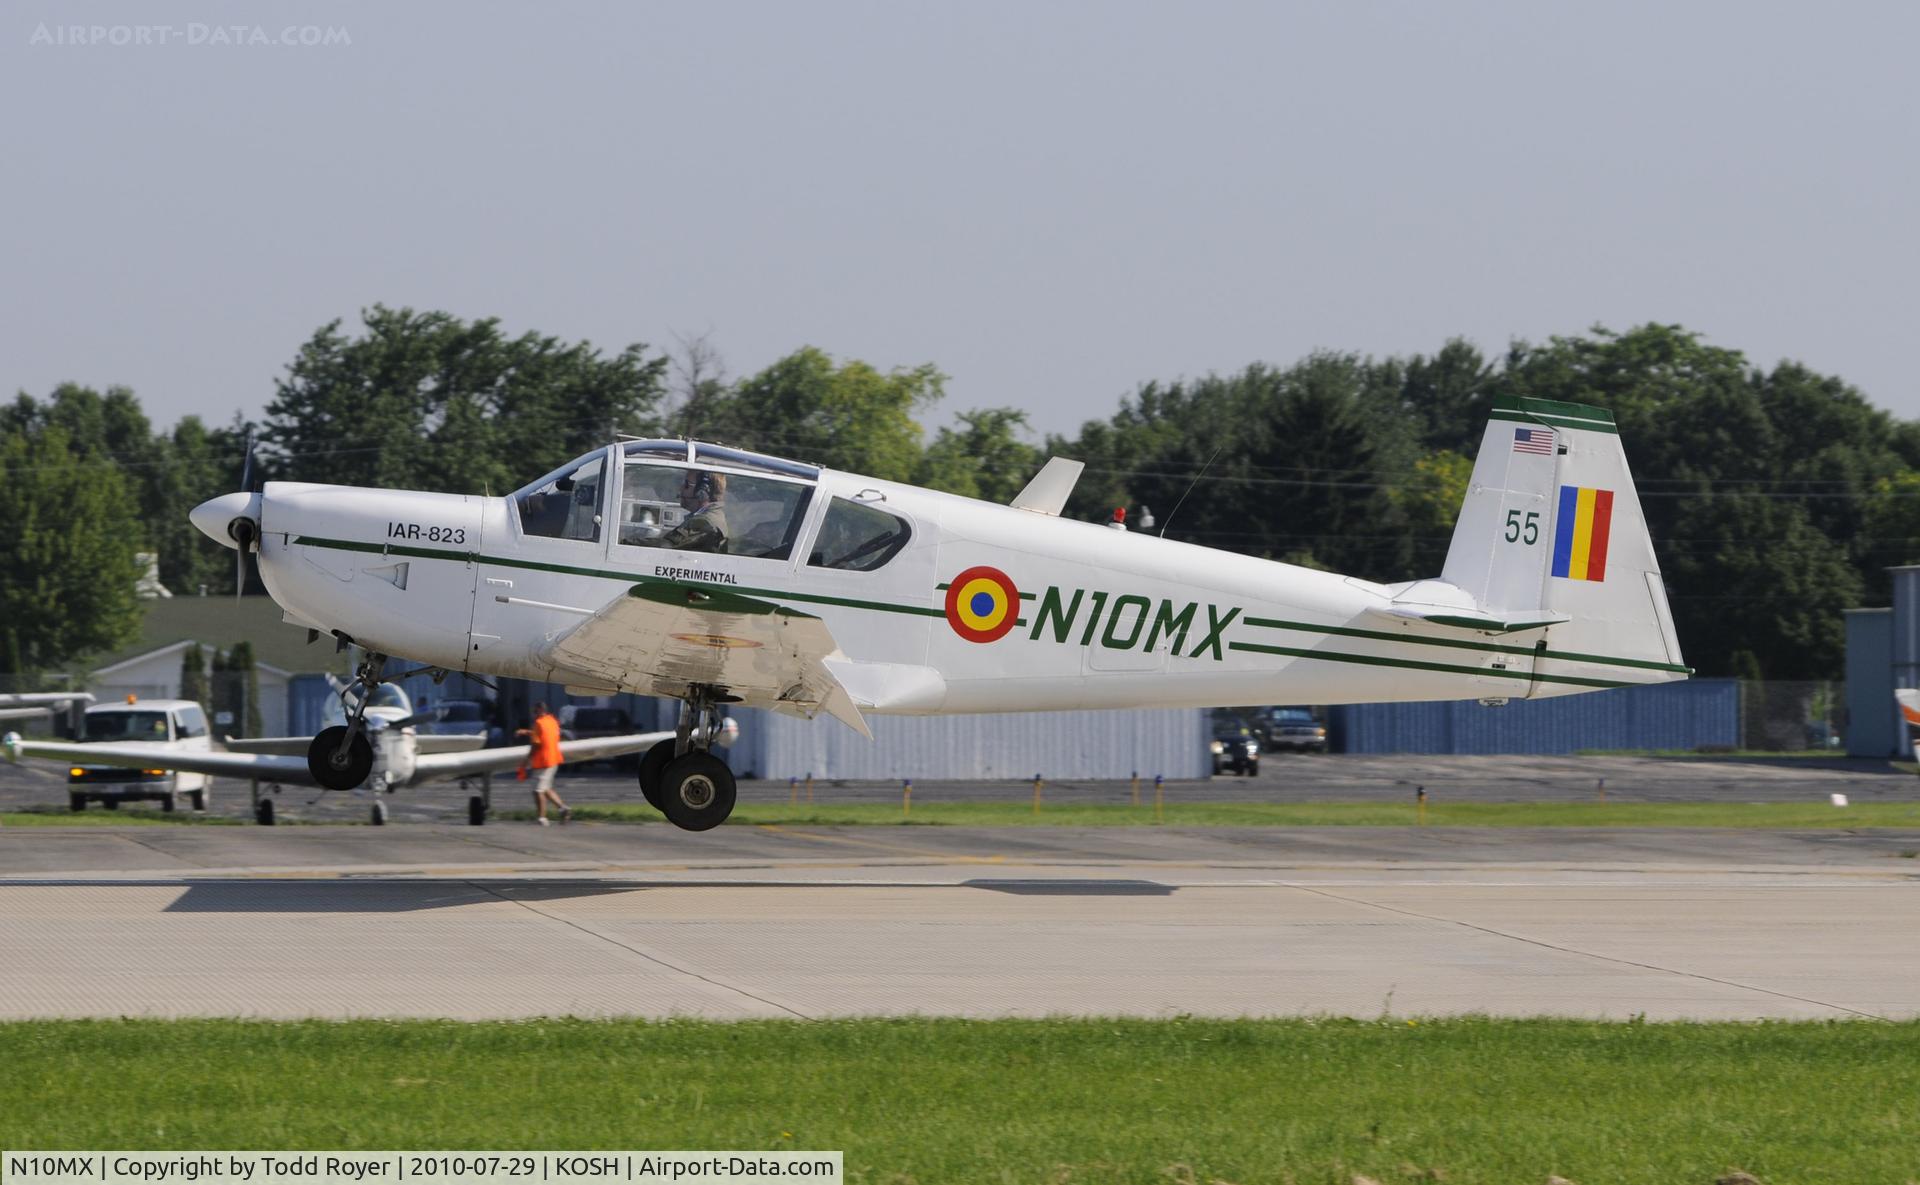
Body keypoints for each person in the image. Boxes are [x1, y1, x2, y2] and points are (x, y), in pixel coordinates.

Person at [647, 470, 729, 553]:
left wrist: (633, 544)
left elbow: (668, 545)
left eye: (686, 484)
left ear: (702, 492)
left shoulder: (704, 522)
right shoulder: (707, 516)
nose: (681, 488)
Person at [516, 702, 570, 825]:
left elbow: (536, 744)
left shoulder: (538, 723)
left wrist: (526, 761)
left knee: (537, 790)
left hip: (543, 761)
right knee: (546, 788)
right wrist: (527, 732)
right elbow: (544, 735)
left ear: (540, 710)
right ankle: (563, 809)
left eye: (535, 711)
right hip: (554, 759)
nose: (533, 714)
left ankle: (542, 818)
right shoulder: (552, 721)